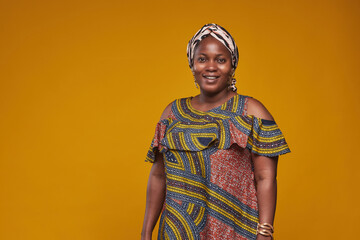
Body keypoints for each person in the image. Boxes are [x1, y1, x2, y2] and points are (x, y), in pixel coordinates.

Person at [141, 23, 290, 240]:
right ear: (192, 64)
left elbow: (265, 177)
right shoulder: (172, 113)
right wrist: (146, 233)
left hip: (233, 231)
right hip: (177, 232)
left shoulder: (251, 112)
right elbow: (157, 175)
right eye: (202, 59)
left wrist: (264, 232)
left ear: (232, 65)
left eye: (220, 60)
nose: (211, 67)